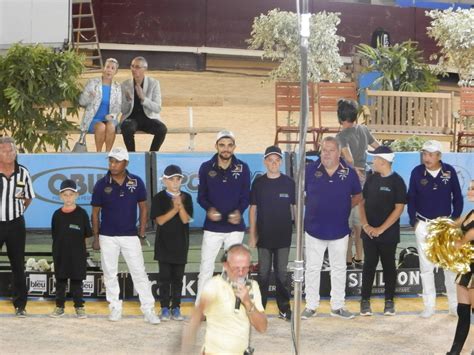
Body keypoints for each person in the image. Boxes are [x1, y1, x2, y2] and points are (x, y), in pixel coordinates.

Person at [91, 146, 160, 324]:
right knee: (110, 273)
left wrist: (142, 232)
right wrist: (96, 238)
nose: (113, 165)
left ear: (126, 163)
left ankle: (148, 309)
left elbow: (144, 207)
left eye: (117, 161)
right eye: (111, 161)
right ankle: (115, 306)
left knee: (139, 272)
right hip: (107, 236)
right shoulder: (101, 184)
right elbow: (95, 213)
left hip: (130, 236)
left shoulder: (136, 182)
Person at [302, 136, 362, 320]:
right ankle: (311, 306)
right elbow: (300, 195)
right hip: (313, 230)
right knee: (312, 268)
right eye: (323, 150)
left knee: (339, 268)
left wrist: (344, 207)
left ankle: (338, 306)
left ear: (339, 152)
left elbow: (358, 196)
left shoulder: (349, 173)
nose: (326, 154)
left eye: (330, 150)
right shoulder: (309, 170)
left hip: (339, 230)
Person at [407, 140, 463, 318]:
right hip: (423, 225)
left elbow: (458, 197)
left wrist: (454, 219)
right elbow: (411, 198)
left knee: (449, 267)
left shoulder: (449, 171)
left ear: (439, 156)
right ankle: (429, 306)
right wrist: (414, 222)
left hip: (445, 225)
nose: (427, 158)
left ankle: (453, 306)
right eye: (425, 154)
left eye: (431, 154)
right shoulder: (417, 172)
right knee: (426, 268)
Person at [196, 130, 250, 302]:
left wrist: (239, 212)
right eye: (222, 145)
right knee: (206, 267)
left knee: (236, 268)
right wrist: (209, 209)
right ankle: (201, 306)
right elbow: (201, 197)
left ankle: (235, 304)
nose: (226, 149)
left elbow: (246, 196)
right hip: (212, 228)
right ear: (216, 146)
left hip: (235, 228)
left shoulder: (243, 167)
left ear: (234, 147)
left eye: (229, 145)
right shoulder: (206, 167)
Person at [182, 244, 267, 354]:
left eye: (245, 268)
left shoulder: (252, 286)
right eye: (236, 268)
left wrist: (247, 302)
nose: (241, 273)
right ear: (226, 265)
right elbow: (195, 319)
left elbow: (262, 327)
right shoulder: (214, 285)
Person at [358, 146, 407, 316]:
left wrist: (380, 229)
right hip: (369, 233)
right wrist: (366, 226)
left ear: (383, 162)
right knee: (369, 265)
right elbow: (361, 203)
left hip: (388, 234)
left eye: (375, 159)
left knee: (389, 266)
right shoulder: (371, 179)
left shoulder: (398, 182)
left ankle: (389, 302)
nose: (372, 162)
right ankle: (364, 302)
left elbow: (399, 209)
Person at [249, 145, 295, 321]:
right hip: (264, 237)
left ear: (281, 162)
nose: (273, 163)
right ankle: (260, 309)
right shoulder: (259, 183)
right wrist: (253, 234)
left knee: (282, 274)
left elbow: (295, 208)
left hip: (283, 237)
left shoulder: (289, 183)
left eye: (277, 160)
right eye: (270, 160)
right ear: (265, 162)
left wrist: (300, 230)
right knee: (263, 274)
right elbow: (253, 210)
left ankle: (284, 308)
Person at [336, 99, 380, 269]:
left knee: (346, 225)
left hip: (349, 181)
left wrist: (355, 171)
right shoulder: (363, 129)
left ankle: (347, 260)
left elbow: (348, 159)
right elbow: (378, 147)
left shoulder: (341, 136)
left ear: (340, 117)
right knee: (359, 223)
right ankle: (359, 258)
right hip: (365, 179)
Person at [150, 164, 193, 322]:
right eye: (172, 179)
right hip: (163, 245)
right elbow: (160, 221)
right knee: (164, 278)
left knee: (178, 279)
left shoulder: (186, 198)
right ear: (165, 180)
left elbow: (186, 219)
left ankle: (176, 307)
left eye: (178, 179)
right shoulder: (159, 198)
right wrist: (174, 209)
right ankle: (164, 308)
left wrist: (180, 206)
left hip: (181, 245)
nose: (175, 182)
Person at [0, 137, 35, 317]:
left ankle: (20, 305)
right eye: (5, 150)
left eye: (12, 150)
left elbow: (28, 198)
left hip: (15, 224)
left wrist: (17, 212)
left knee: (18, 265)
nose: (9, 153)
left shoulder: (23, 173)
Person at [50, 179, 92, 319]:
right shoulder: (56, 215)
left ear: (77, 195)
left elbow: (87, 235)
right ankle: (59, 307)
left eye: (71, 194)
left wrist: (82, 252)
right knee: (60, 282)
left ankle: (79, 307)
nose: (68, 197)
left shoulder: (82, 214)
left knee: (77, 283)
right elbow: (55, 235)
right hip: (60, 254)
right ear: (60, 196)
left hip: (77, 255)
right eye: (65, 194)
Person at [120, 56, 167, 152]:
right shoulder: (125, 85)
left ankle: (151, 155)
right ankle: (132, 155)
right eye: (132, 66)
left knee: (162, 129)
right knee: (126, 128)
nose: (133, 69)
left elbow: (157, 108)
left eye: (137, 67)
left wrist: (143, 98)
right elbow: (123, 110)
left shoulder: (154, 83)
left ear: (145, 69)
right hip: (131, 118)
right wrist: (128, 100)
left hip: (148, 118)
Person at [79, 58, 122, 152]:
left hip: (109, 119)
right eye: (107, 67)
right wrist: (89, 97)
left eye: (112, 68)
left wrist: (112, 115)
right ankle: (98, 153)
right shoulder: (92, 83)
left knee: (111, 126)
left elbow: (117, 107)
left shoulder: (117, 87)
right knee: (101, 126)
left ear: (116, 72)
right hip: (93, 119)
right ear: (103, 68)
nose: (109, 70)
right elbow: (82, 102)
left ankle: (107, 153)